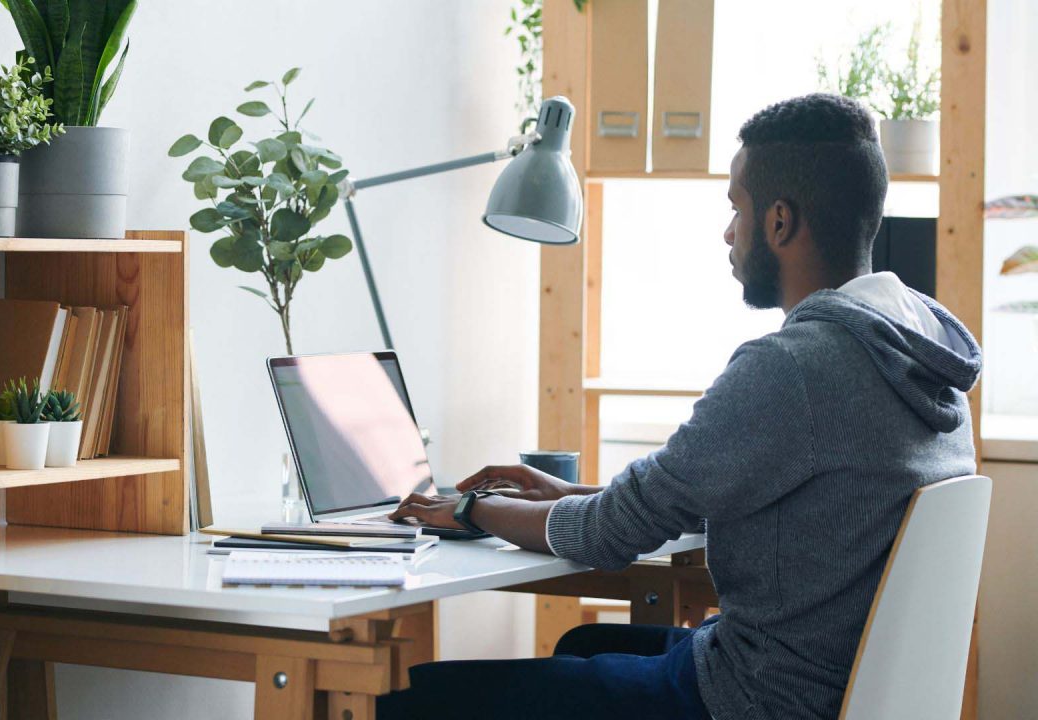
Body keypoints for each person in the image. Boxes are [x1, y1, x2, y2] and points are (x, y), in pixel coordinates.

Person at [378, 93, 981, 720]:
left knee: (413, 702)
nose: (728, 231)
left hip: (755, 699)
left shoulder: (796, 366)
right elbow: (721, 500)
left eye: (735, 208)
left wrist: (474, 507)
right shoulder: (922, 354)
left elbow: (613, 533)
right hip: (828, 684)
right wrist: (562, 494)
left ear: (779, 222)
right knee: (586, 641)